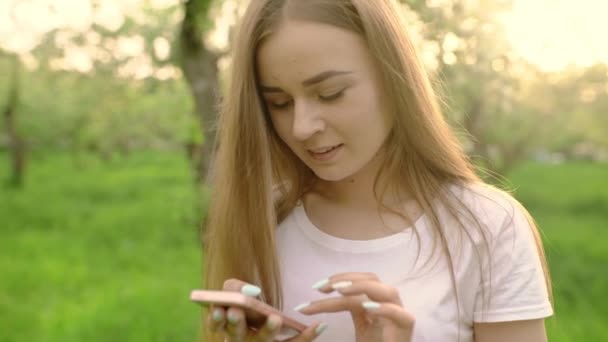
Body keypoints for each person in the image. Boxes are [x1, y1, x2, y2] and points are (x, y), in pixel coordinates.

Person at [200, 0, 554, 341]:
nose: (301, 127)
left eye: (331, 93)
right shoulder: (265, 219)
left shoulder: (487, 226)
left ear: (394, 79)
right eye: (279, 103)